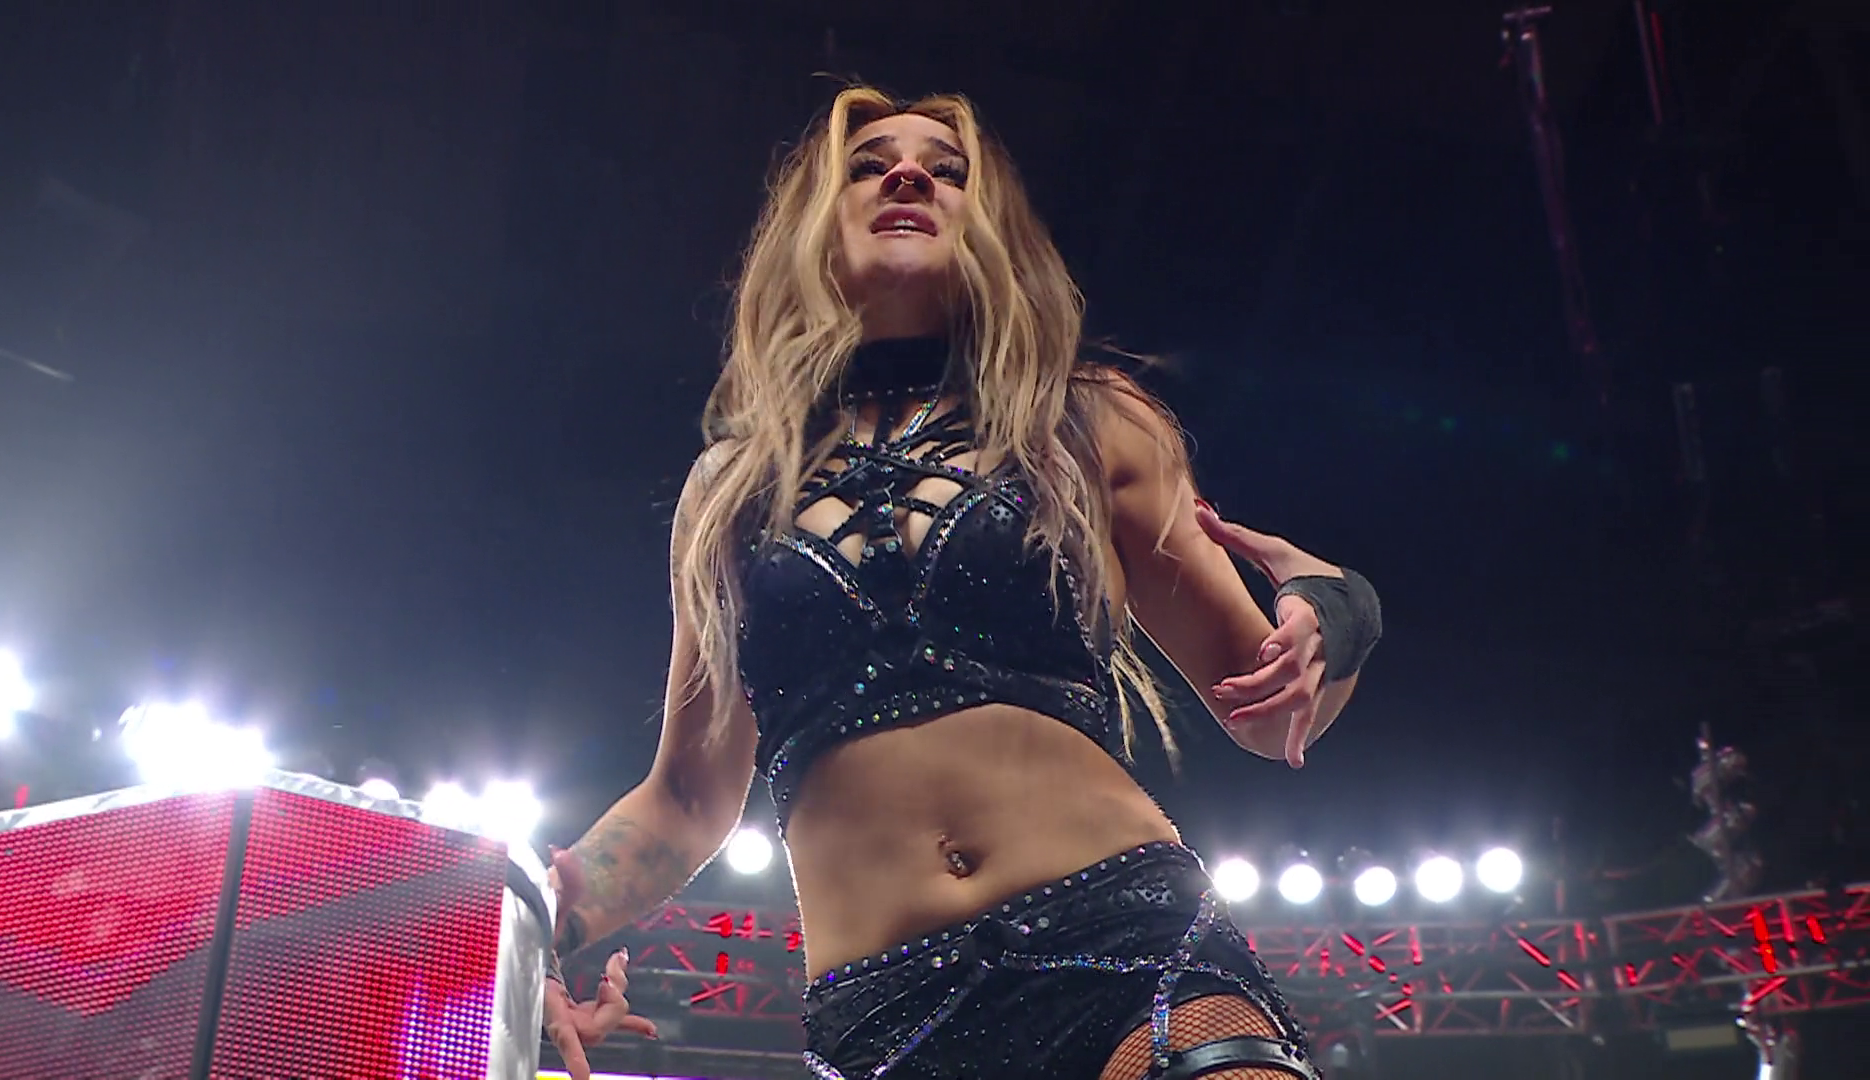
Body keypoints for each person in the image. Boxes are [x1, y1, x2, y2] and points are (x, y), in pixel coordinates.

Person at [539, 86, 1382, 1080]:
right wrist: (534, 928)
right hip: (890, 1015)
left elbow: (1271, 715)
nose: (908, 175)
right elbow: (685, 796)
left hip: (1129, 942)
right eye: (869, 165)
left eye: (948, 171)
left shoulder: (1085, 421)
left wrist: (1338, 610)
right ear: (816, 226)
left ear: (989, 227)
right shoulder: (732, 488)